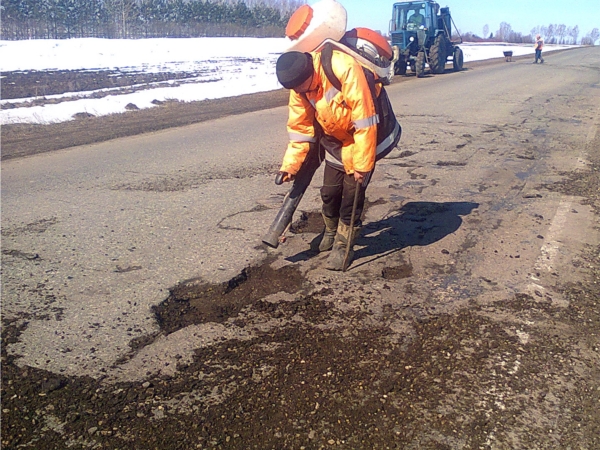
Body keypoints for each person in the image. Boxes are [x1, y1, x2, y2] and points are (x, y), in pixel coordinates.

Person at [274, 49, 382, 271]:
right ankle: (331, 231)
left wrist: (362, 165)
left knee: (352, 195)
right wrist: (290, 166)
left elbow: (365, 119)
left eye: (301, 88)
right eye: (295, 90)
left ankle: (344, 245)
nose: (299, 93)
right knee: (330, 192)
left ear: (310, 73)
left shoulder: (343, 68)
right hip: (335, 142)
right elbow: (300, 129)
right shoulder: (299, 87)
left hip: (362, 140)